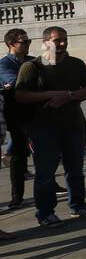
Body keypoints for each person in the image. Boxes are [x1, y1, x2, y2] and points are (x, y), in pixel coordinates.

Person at [14, 26, 86, 227]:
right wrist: (51, 95)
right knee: (45, 172)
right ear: (45, 43)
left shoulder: (76, 64)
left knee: (75, 168)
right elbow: (20, 95)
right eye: (57, 40)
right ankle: (45, 212)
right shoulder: (32, 67)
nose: (62, 44)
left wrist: (69, 96)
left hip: (74, 124)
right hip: (43, 127)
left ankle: (78, 205)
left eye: (64, 39)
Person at [1, 28, 33, 210]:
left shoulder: (33, 61)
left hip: (37, 112)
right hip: (17, 116)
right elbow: (17, 84)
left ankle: (51, 184)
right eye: (24, 42)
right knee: (19, 156)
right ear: (11, 44)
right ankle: (17, 196)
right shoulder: (4, 64)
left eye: (29, 41)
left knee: (46, 151)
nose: (28, 44)